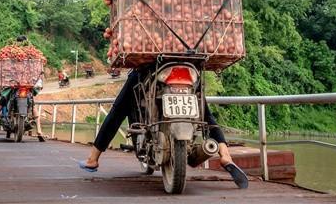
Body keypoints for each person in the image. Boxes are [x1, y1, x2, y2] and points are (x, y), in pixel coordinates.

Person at [79, 67, 249, 189]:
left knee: (118, 109)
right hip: (190, 66)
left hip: (151, 66)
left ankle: (93, 159)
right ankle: (226, 156)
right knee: (205, 113)